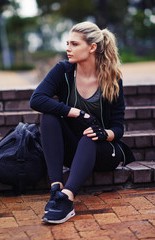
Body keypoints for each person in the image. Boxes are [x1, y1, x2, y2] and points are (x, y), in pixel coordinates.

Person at [30, 21, 135, 224]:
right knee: (49, 117)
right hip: (75, 150)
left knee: (90, 135)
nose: (67, 48)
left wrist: (105, 134)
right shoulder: (63, 70)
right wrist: (74, 112)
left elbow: (118, 127)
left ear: (92, 47)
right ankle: (56, 188)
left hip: (104, 150)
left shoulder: (112, 79)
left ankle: (66, 199)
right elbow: (37, 99)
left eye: (74, 44)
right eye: (67, 43)